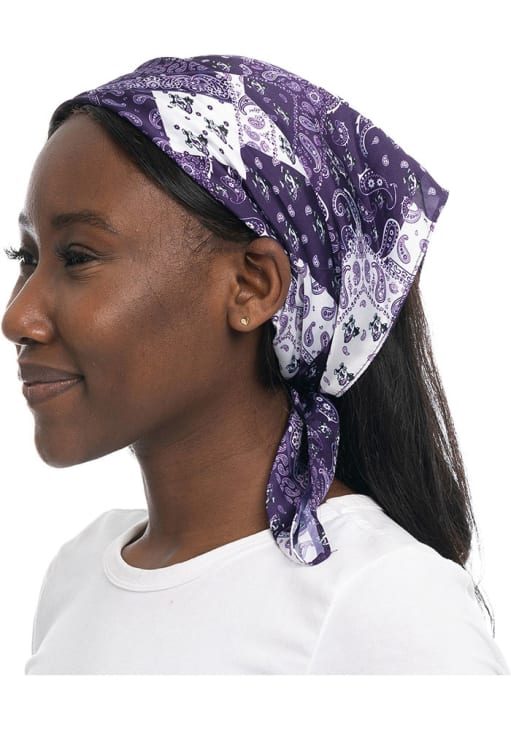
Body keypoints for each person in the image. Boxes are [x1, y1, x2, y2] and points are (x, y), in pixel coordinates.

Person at [2, 55, 508, 674]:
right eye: (26, 258)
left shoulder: (385, 602)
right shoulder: (78, 574)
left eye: (78, 257)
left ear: (252, 286)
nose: (17, 317)